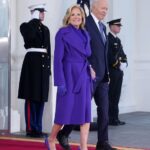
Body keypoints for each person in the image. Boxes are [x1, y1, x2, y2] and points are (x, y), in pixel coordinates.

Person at [56, 0, 117, 150]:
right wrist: (88, 67)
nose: (105, 11)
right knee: (78, 108)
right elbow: (80, 49)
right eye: (103, 8)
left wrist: (107, 74)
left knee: (104, 109)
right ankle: (64, 133)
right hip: (85, 75)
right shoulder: (85, 24)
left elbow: (103, 53)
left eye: (107, 9)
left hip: (102, 76)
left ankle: (103, 142)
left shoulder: (103, 27)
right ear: (94, 8)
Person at [45, 4, 95, 150]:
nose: (76, 17)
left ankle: (83, 146)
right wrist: (60, 81)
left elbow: (86, 56)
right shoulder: (62, 33)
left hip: (83, 75)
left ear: (82, 17)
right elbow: (58, 59)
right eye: (73, 14)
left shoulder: (86, 34)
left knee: (85, 113)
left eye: (78, 15)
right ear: (68, 17)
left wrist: (90, 68)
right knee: (64, 112)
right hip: (69, 76)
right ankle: (51, 138)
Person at [18, 3, 51, 138]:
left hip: (43, 66)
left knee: (41, 98)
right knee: (32, 97)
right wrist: (34, 20)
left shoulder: (46, 29)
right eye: (41, 12)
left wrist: (48, 68)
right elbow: (29, 37)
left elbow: (48, 49)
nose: (43, 14)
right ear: (34, 12)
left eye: (43, 12)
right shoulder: (26, 26)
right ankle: (31, 128)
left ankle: (38, 127)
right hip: (32, 64)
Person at [107, 18, 128, 126]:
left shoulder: (118, 40)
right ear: (111, 26)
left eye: (120, 26)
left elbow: (123, 55)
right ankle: (110, 118)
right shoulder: (108, 39)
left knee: (117, 95)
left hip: (119, 72)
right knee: (111, 95)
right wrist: (118, 64)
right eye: (117, 25)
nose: (119, 27)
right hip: (112, 71)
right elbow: (109, 56)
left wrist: (124, 62)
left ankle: (115, 117)